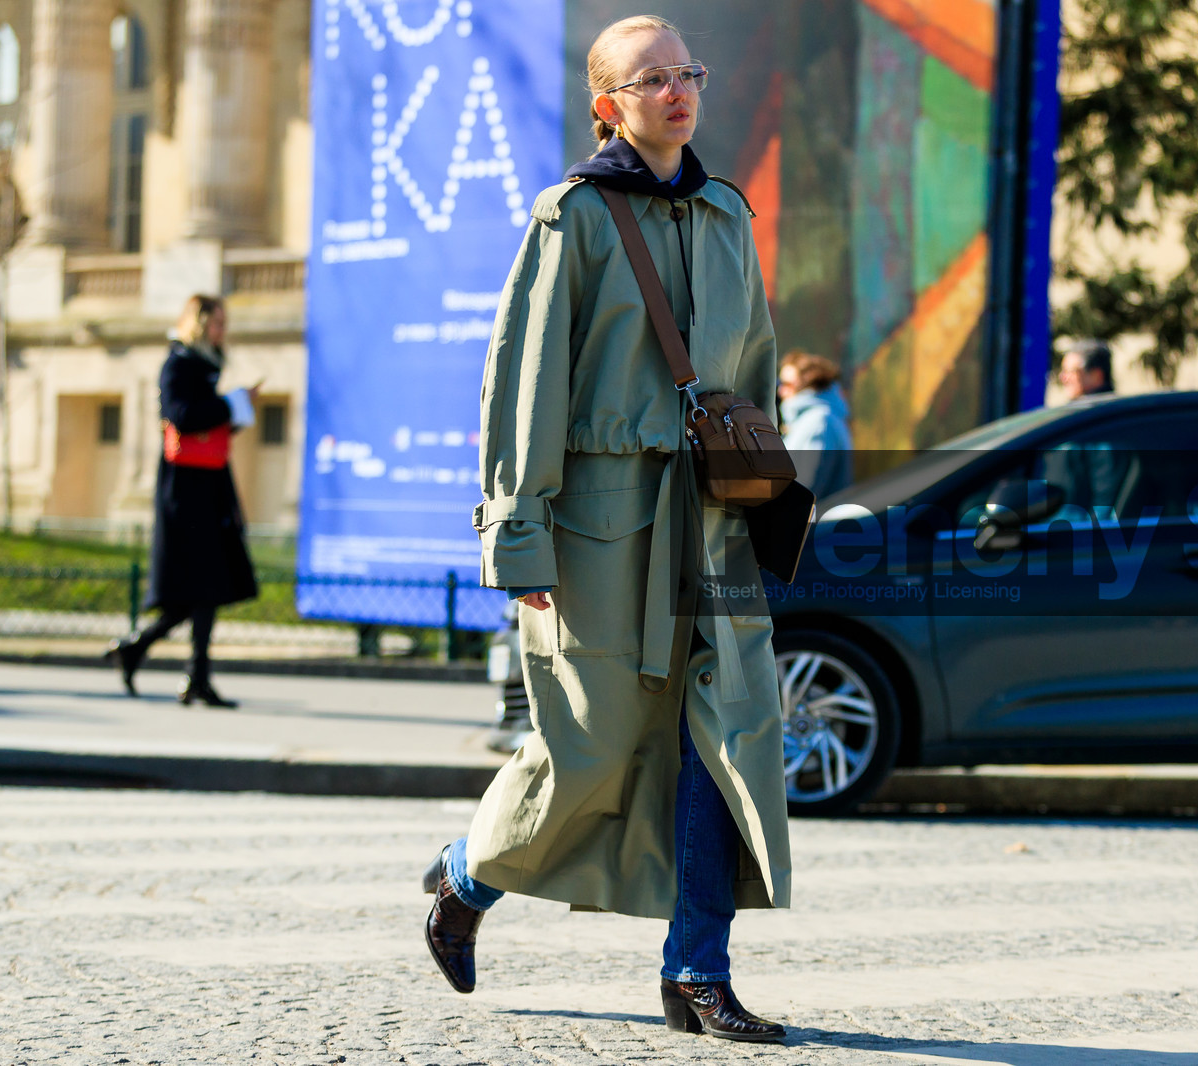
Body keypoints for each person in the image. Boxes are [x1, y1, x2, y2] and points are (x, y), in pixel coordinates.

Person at [421, 16, 790, 1044]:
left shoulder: (726, 213)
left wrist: (766, 505)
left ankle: (696, 972)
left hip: (709, 525)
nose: (677, 91)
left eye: (687, 73)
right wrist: (517, 531)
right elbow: (524, 380)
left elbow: (751, 375)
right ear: (608, 104)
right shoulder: (570, 217)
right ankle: (464, 876)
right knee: (588, 748)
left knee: (725, 743)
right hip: (599, 525)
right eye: (651, 78)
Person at [105, 295, 259, 709]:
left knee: (204, 588)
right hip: (186, 493)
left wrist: (234, 412)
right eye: (218, 323)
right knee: (201, 587)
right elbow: (182, 416)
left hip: (208, 486)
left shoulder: (206, 367)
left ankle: (147, 653)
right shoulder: (178, 364)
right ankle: (192, 674)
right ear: (200, 323)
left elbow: (205, 427)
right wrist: (229, 404)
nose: (223, 331)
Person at [777, 350, 853, 499]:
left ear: (807, 382)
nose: (780, 391)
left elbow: (805, 490)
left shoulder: (820, 422)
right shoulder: (816, 419)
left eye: (786, 384)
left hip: (815, 520)